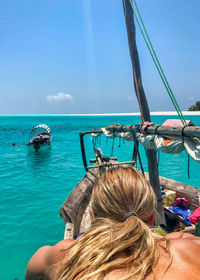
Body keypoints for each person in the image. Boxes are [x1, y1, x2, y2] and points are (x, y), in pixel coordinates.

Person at [25, 167, 200, 280]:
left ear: (93, 216)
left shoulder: (62, 254)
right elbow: (171, 238)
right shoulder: (190, 246)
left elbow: (30, 275)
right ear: (151, 218)